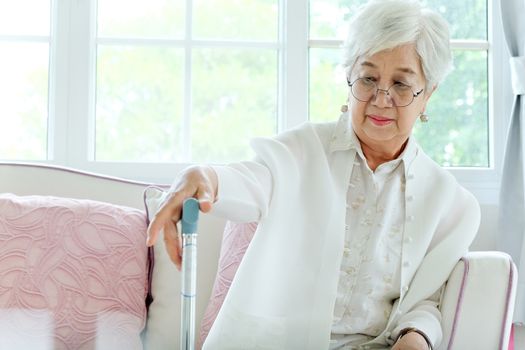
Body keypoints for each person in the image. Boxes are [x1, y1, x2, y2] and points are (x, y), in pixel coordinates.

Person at [146, 0, 480, 349]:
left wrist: (417, 336)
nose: (381, 99)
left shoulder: (448, 202)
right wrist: (206, 177)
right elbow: (251, 182)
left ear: (427, 94)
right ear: (349, 77)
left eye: (400, 84)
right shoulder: (302, 151)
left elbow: (426, 298)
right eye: (368, 78)